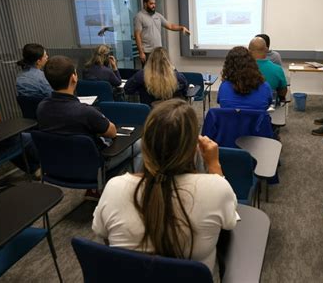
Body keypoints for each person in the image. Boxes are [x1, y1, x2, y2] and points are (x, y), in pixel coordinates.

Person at [92, 99, 237, 280]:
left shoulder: (114, 188)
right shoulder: (216, 188)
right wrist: (214, 164)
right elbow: (230, 223)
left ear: (145, 144)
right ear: (193, 148)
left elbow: (102, 235)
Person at [37, 56, 135, 172]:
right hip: (93, 167)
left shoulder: (41, 107)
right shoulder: (86, 112)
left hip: (58, 167)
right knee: (138, 145)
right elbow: (112, 132)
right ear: (74, 77)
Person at [134, 0, 190, 66]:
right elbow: (137, 35)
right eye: (151, 4)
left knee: (159, 73)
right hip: (147, 52)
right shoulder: (139, 17)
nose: (153, 6)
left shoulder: (158, 15)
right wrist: (141, 52)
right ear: (145, 4)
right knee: (148, 75)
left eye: (154, 3)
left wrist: (182, 28)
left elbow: (170, 26)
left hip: (158, 51)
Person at [217, 46, 273, 110]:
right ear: (252, 64)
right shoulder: (265, 87)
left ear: (228, 66)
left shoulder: (224, 87)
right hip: (256, 120)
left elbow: (221, 103)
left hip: (232, 120)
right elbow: (268, 105)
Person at [249, 37, 287, 103]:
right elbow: (283, 92)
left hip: (246, 107)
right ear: (266, 49)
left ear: (249, 50)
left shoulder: (240, 69)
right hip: (269, 107)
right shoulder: (277, 69)